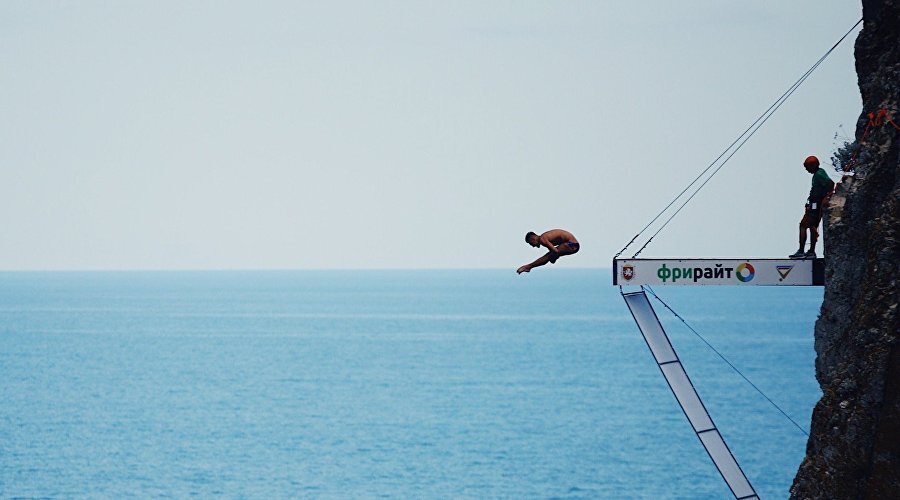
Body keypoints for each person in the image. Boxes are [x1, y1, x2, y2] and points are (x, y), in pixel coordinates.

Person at [789, 155, 834, 259]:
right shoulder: (818, 174)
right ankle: (811, 251)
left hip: (816, 203)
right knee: (812, 227)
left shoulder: (819, 174)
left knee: (803, 225)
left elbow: (830, 183)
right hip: (815, 203)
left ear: (814, 165)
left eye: (808, 167)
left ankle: (802, 250)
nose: (807, 169)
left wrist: (827, 197)